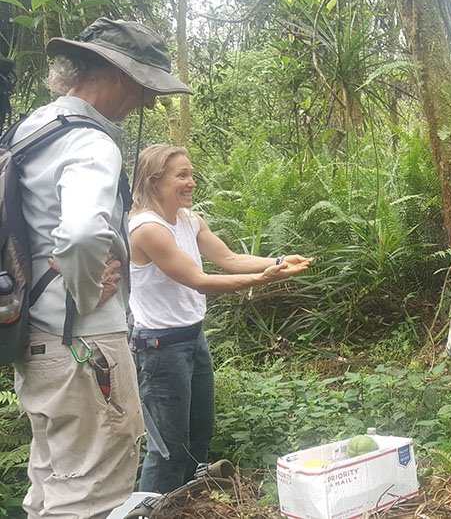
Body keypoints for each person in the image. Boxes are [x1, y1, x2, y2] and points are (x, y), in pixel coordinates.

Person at [10, 18, 192, 518]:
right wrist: (87, 290)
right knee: (91, 493)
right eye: (145, 86)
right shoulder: (91, 141)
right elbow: (84, 232)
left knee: (52, 481)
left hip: (35, 338)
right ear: (115, 75)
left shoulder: (31, 129)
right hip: (83, 343)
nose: (149, 102)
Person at [127, 144, 312, 493]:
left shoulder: (188, 219)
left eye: (191, 174)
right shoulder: (146, 228)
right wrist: (261, 281)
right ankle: (148, 509)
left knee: (198, 435)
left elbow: (228, 259)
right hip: (159, 348)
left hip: (192, 338)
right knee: (167, 448)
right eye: (182, 175)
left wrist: (279, 261)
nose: (192, 182)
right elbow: (200, 281)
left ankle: (184, 504)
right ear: (154, 181)